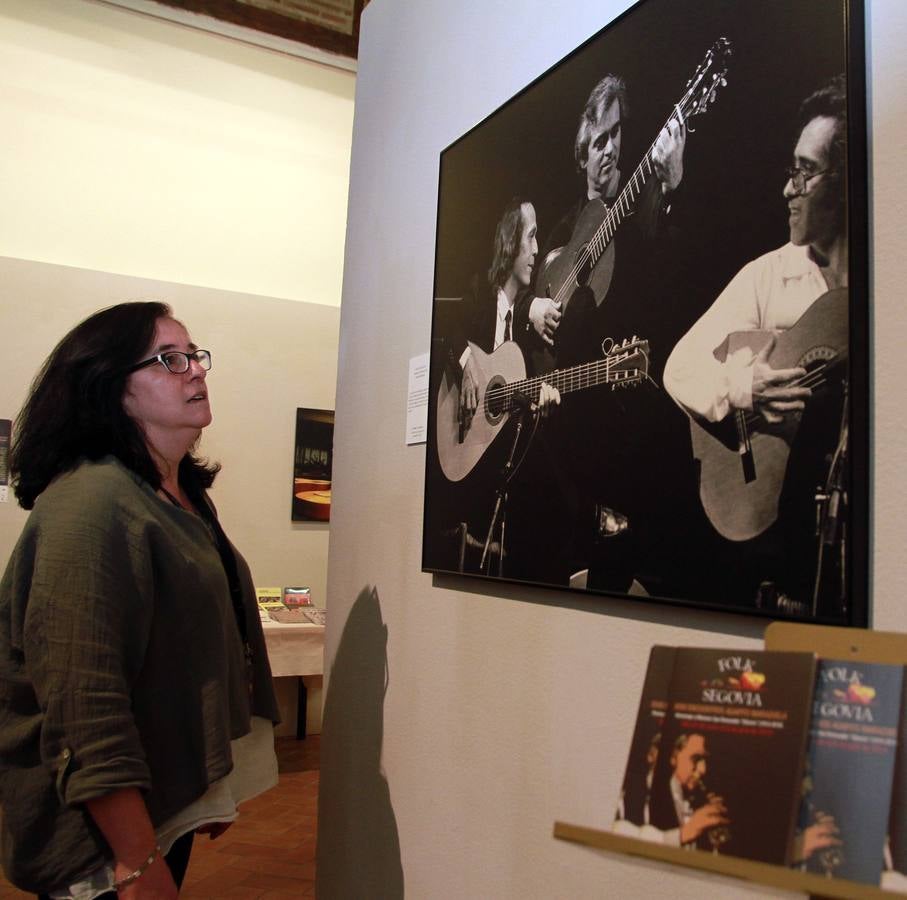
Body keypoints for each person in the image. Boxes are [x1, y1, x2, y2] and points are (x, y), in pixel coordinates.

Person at [0, 302, 280, 897]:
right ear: (111, 391)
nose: (195, 371)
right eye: (168, 360)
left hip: (153, 797)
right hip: (99, 832)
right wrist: (135, 859)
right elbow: (83, 696)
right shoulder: (92, 503)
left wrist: (206, 780)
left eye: (194, 355)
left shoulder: (176, 492)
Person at [663, 76, 848, 612]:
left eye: (805, 172)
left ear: (847, 177)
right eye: (792, 171)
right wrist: (743, 387)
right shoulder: (767, 275)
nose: (787, 189)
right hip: (790, 543)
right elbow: (679, 367)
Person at [514, 73, 690, 591]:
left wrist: (672, 187)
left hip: (626, 422)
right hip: (564, 432)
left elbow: (676, 271)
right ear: (582, 156)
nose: (609, 148)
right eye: (598, 141)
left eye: (615, 135)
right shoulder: (564, 229)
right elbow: (529, 305)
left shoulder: (642, 217)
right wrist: (531, 309)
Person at [645, 733, 729, 848]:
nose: (703, 769)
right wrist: (688, 831)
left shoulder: (690, 796)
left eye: (705, 760)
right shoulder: (646, 794)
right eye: (695, 758)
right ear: (673, 757)